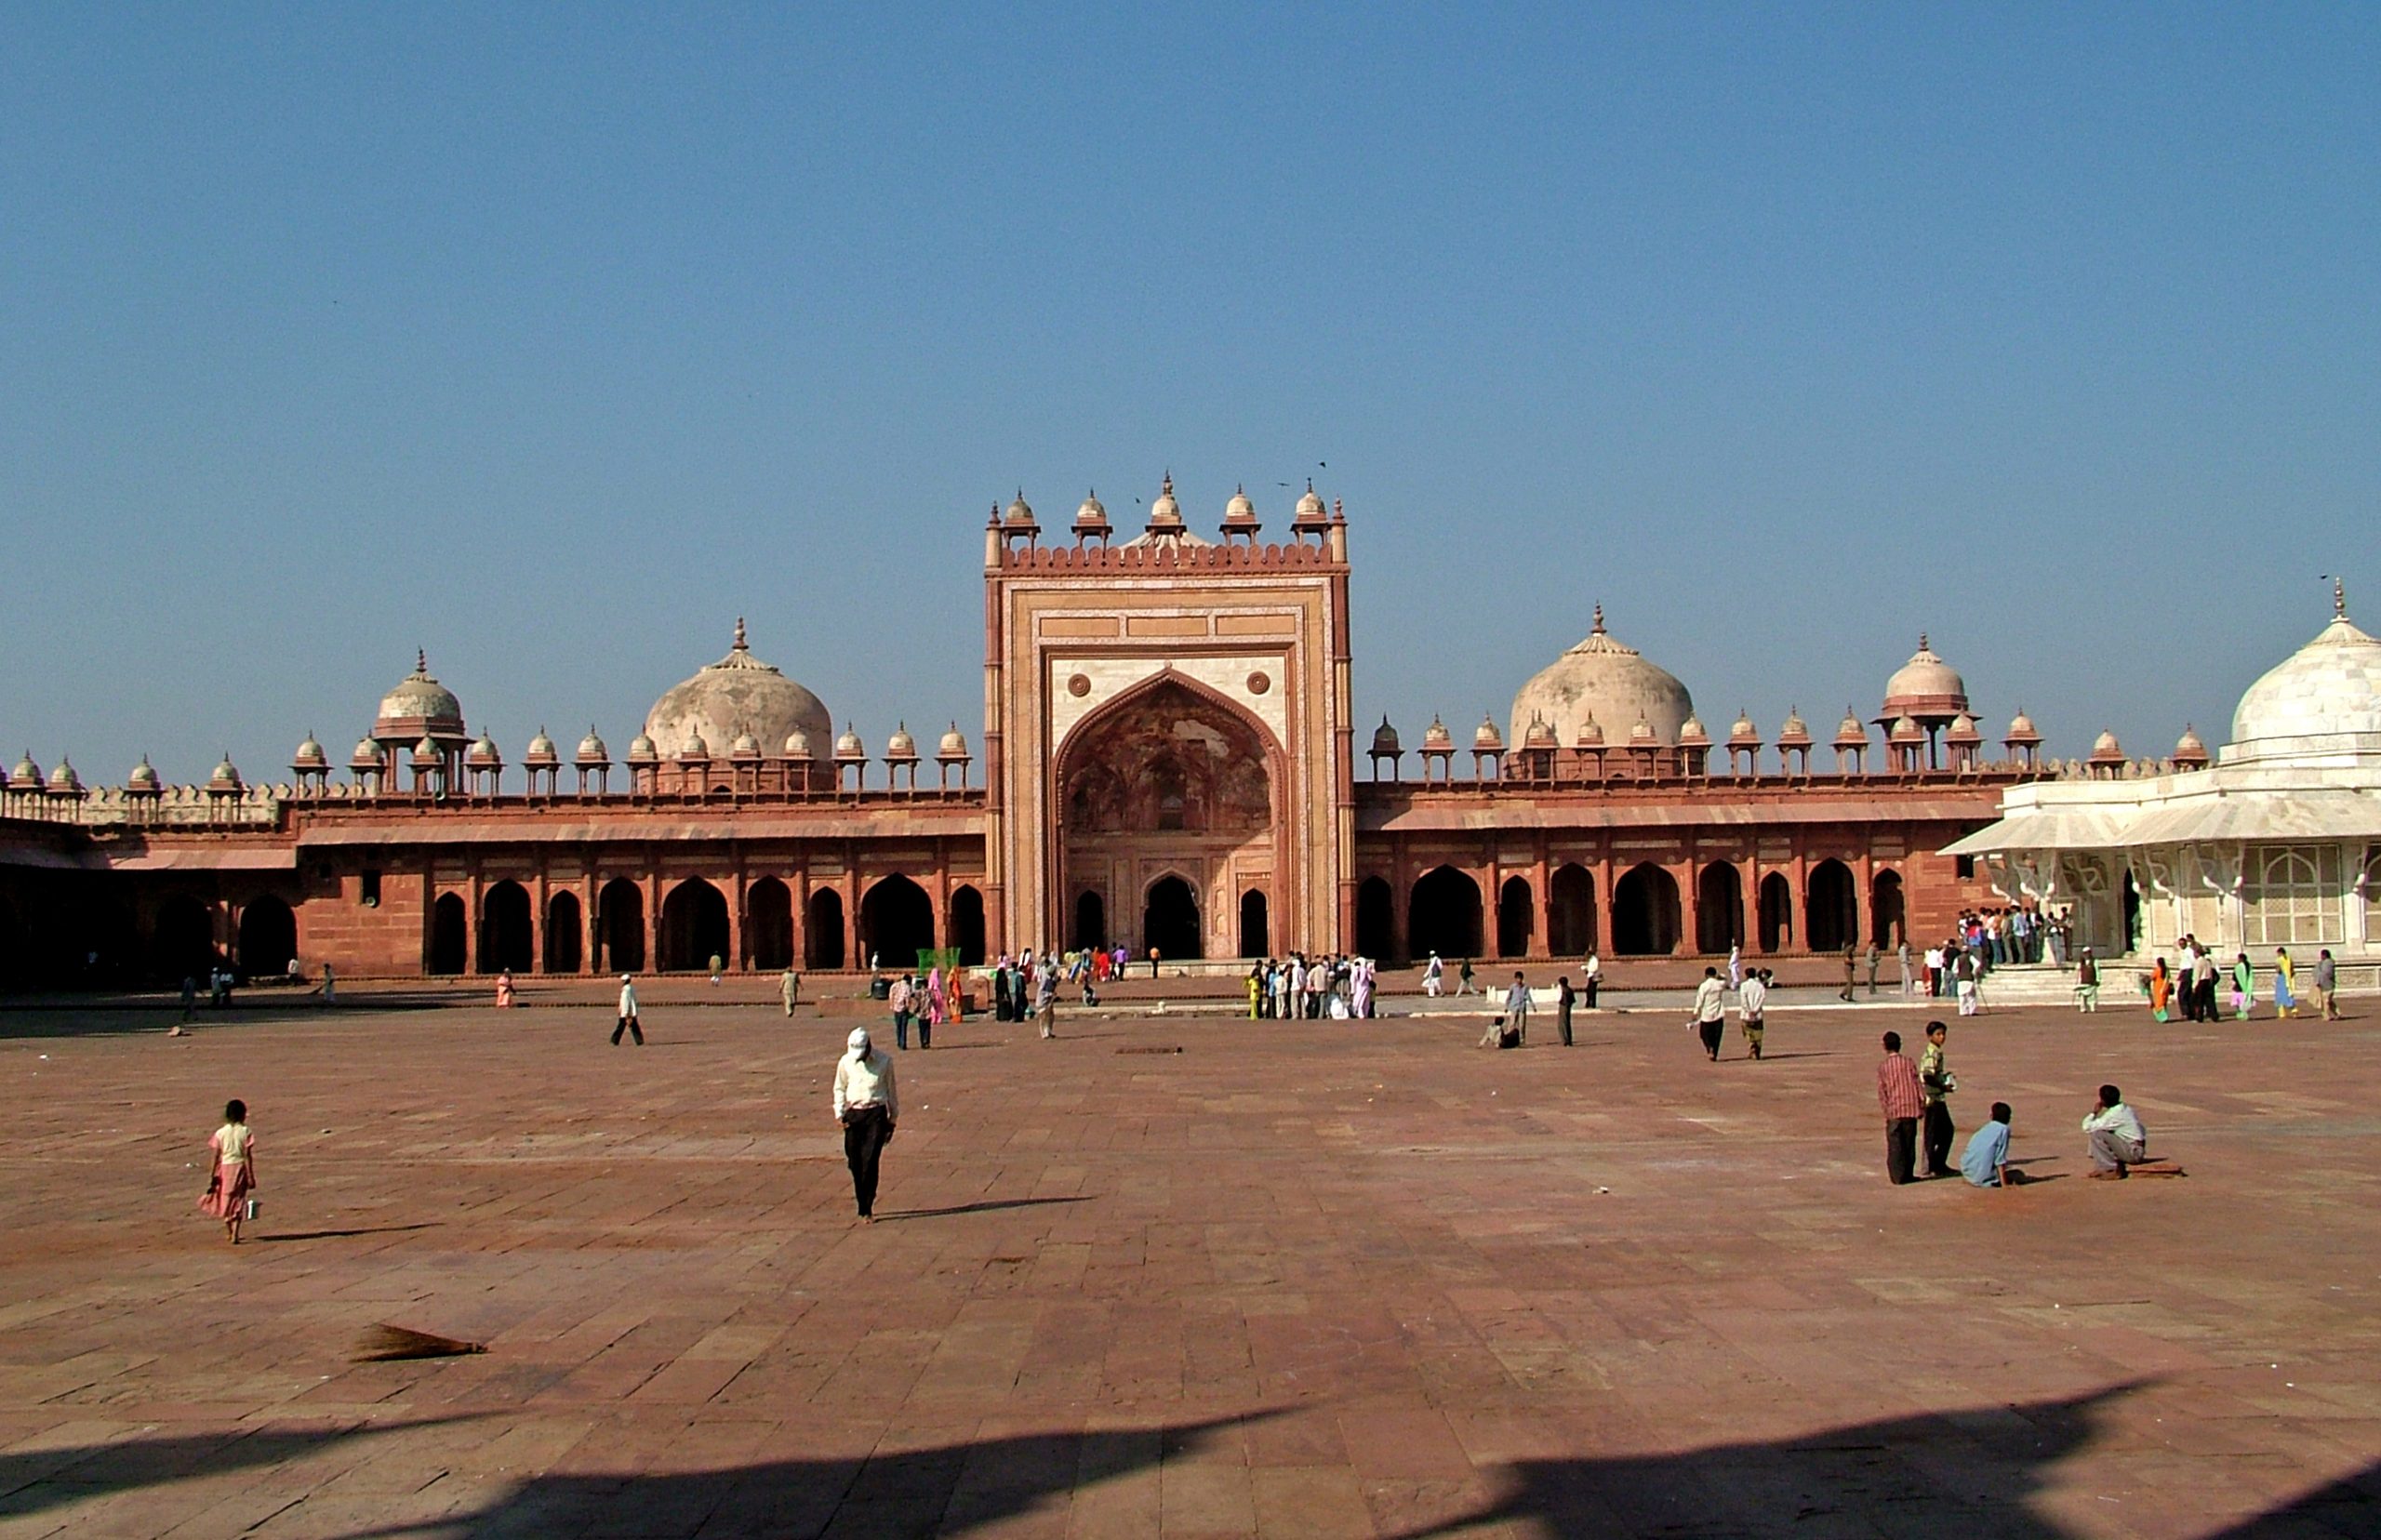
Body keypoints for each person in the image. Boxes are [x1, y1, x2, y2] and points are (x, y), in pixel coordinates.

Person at [832, 1028, 897, 1221]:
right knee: (855, 1162)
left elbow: (892, 1092)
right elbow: (839, 1087)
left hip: (876, 1114)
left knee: (870, 1161)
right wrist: (840, 1112)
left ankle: (866, 1206)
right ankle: (861, 1198)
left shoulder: (884, 1062)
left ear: (869, 1046)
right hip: (853, 1115)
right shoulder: (845, 1062)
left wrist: (892, 1121)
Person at [196, 1098, 257, 1244]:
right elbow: (248, 1156)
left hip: (224, 1169)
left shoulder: (220, 1133)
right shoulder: (246, 1132)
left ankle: (229, 1230)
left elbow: (216, 1156)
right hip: (240, 1168)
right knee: (238, 1199)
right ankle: (236, 1232)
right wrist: (251, 1176)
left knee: (225, 1199)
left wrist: (212, 1175)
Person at [1877, 1032, 1923, 1185]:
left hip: (1895, 1111)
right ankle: (1908, 1174)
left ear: (1885, 1046)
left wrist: (1886, 1110)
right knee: (1909, 1144)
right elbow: (1917, 1084)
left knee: (1896, 1146)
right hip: (1910, 1109)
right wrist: (1921, 1104)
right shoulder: (1908, 1062)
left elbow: (1882, 1091)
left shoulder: (1883, 1067)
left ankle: (1897, 1176)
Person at [2082, 1083, 2147, 1178]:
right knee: (2103, 1131)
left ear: (2103, 1100)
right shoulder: (2126, 1108)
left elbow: (2087, 1127)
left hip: (2133, 1152)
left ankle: (2110, 1168)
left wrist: (2094, 1112)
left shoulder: (2114, 1115)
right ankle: (2102, 1166)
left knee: (2097, 1134)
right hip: (2136, 1148)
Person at [1918, 1021, 1957, 1178]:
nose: (1942, 1037)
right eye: (1938, 1034)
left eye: (1943, 1034)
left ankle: (1938, 1163)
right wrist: (1943, 1087)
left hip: (1937, 1097)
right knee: (1935, 1133)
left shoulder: (1936, 1052)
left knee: (1944, 1131)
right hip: (1932, 1099)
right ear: (1930, 1036)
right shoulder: (1932, 1053)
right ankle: (1930, 1166)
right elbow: (1928, 1076)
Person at [1961, 1102, 2019, 1188]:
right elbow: (2000, 1159)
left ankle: (1971, 1178)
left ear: (1991, 1116)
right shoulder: (2004, 1130)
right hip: (1982, 1177)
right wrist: (2004, 1184)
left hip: (1967, 1171)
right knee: (2018, 1175)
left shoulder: (1985, 1128)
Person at [1692, 966, 1726, 1061]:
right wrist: (1718, 976)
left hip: (1706, 1014)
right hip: (1718, 1012)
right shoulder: (1720, 984)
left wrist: (1696, 1012)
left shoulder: (1704, 986)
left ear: (1706, 975)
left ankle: (1709, 1047)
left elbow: (1700, 1000)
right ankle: (1714, 1052)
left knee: (1704, 1034)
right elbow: (1724, 978)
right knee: (1717, 1036)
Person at [1737, 967, 1768, 1059]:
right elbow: (1762, 998)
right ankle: (1756, 1050)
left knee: (1747, 1031)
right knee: (1758, 1032)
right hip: (1757, 1014)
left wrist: (1748, 1010)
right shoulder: (1760, 986)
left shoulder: (1744, 985)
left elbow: (1743, 1000)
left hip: (1746, 1014)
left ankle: (1752, 1045)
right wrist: (1755, 1010)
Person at [612, 975, 643, 1045]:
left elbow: (626, 1002)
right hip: (632, 1012)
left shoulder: (626, 990)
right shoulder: (631, 988)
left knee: (620, 1027)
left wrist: (625, 1014)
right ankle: (639, 1040)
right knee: (634, 1027)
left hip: (627, 1013)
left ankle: (615, 1040)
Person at [921, 966, 945, 1049]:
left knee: (936, 1008)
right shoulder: (933, 980)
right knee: (935, 1008)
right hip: (934, 995)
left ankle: (936, 1018)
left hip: (934, 995)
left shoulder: (933, 979)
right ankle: (936, 1018)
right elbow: (932, 987)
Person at [887, 973, 913, 1051]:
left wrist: (892, 1005)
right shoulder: (907, 987)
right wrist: (908, 1008)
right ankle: (903, 1044)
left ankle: (899, 1042)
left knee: (898, 1026)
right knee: (903, 1027)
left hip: (896, 1008)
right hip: (904, 1009)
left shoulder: (894, 985)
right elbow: (908, 998)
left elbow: (891, 995)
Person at [1035, 955, 1058, 1039]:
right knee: (1043, 1018)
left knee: (1050, 1017)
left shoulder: (1051, 979)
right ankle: (1044, 1034)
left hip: (1049, 1001)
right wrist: (1050, 994)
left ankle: (1049, 1032)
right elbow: (1042, 991)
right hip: (1042, 1001)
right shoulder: (1045, 980)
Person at [2313, 949, 2340, 1020]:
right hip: (2325, 985)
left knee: (2325, 1002)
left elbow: (2326, 974)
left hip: (2327, 985)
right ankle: (2337, 1013)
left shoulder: (2328, 964)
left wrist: (2318, 979)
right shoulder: (2321, 964)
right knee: (2329, 1002)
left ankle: (2326, 1016)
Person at [2274, 948, 2298, 1018]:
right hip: (2289, 979)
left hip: (2282, 978)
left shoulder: (2279, 960)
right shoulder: (2289, 959)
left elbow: (2278, 970)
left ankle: (2282, 1014)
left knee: (2280, 996)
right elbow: (2292, 969)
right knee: (2289, 995)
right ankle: (2294, 1010)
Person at [2148, 958, 2173, 1022]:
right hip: (2165, 989)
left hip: (2158, 989)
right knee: (2164, 1003)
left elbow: (2151, 977)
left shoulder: (2157, 970)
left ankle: (2162, 1017)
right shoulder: (2167, 970)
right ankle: (2164, 1015)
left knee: (2159, 1004)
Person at [2076, 948, 2100, 1013]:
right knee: (2082, 996)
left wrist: (2098, 979)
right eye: (2085, 953)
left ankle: (2093, 1008)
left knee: (2092, 996)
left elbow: (2097, 971)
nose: (2086, 955)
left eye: (2087, 953)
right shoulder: (2081, 962)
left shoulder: (2095, 961)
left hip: (2091, 980)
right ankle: (2083, 1008)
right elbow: (2079, 971)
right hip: (2083, 981)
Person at [2232, 952, 2255, 1019]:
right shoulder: (2249, 966)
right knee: (2244, 1000)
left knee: (2238, 1001)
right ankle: (2244, 1014)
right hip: (2247, 986)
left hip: (2238, 986)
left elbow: (2234, 976)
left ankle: (2240, 1014)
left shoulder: (2239, 966)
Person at [1555, 976, 1575, 1047]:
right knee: (1567, 1023)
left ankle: (1565, 1040)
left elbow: (1559, 998)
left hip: (1563, 1006)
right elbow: (1573, 1000)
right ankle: (1568, 1039)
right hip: (1568, 1007)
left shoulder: (1563, 990)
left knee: (1562, 1024)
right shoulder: (1570, 990)